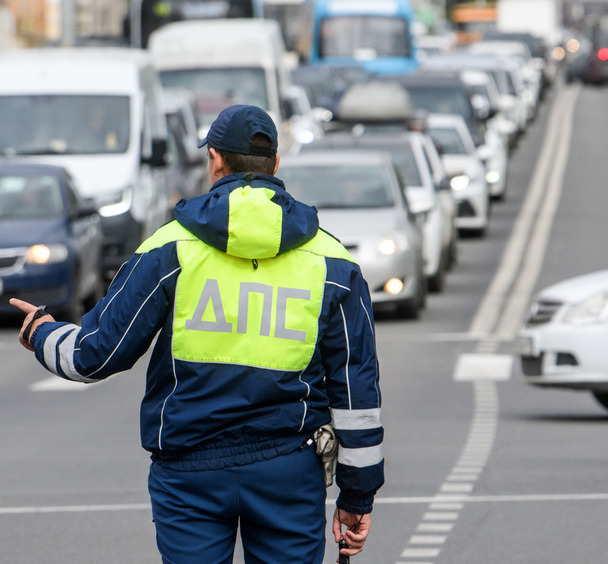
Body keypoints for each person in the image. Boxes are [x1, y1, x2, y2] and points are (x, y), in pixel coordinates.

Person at [10, 104, 384, 562]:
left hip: (190, 474)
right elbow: (357, 394)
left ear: (215, 160)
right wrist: (357, 496)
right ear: (275, 164)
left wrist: (42, 331)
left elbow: (96, 354)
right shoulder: (332, 261)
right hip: (288, 470)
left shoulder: (170, 248)